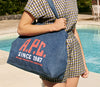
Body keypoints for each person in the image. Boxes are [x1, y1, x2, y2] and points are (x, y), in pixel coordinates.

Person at [17, 0, 89, 87]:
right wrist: (53, 26)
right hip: (52, 53)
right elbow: (22, 28)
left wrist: (83, 62)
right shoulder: (39, 1)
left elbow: (73, 31)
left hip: (74, 53)